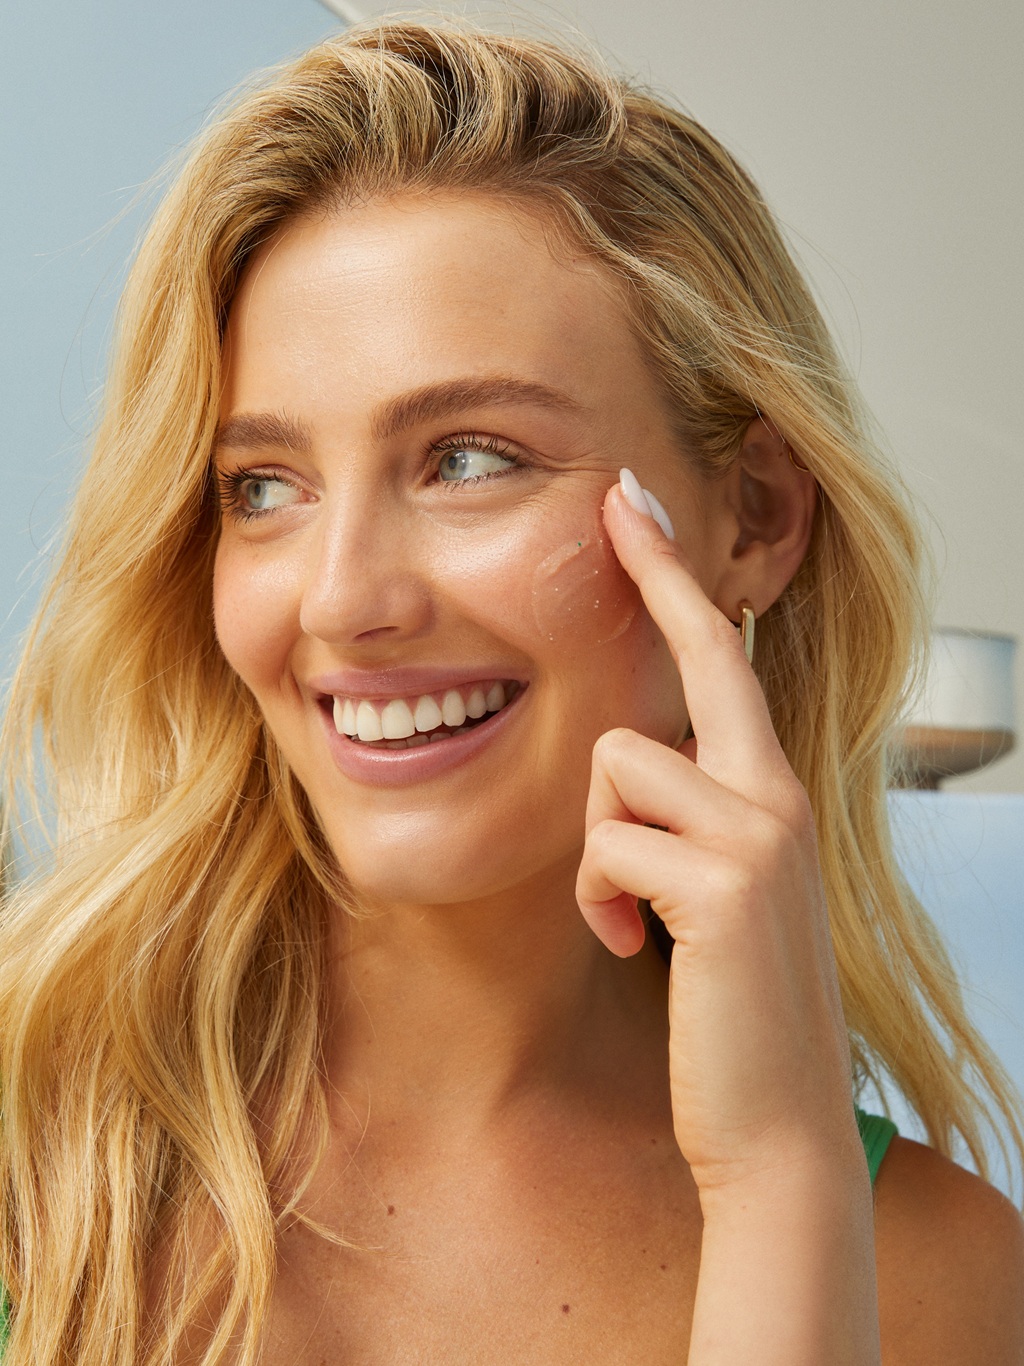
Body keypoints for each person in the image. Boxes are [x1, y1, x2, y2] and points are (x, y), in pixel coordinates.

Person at [1, 17, 1022, 1364]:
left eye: (470, 459)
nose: (341, 600)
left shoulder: (945, 1284)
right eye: (263, 487)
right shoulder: (28, 1142)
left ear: (758, 513)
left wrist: (779, 1184)